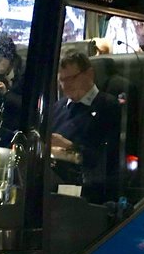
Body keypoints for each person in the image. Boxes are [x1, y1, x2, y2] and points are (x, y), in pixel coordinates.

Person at [50, 50, 120, 200]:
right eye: (61, 80)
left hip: (88, 188)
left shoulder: (108, 106)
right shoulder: (58, 107)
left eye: (71, 78)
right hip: (54, 182)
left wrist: (69, 147)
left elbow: (106, 158)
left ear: (89, 74)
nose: (65, 85)